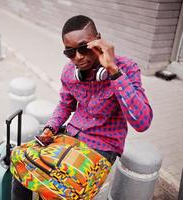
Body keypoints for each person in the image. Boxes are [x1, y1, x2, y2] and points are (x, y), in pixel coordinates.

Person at [11, 15, 153, 200]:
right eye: (70, 52)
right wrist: (50, 127)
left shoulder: (127, 68)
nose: (78, 57)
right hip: (70, 137)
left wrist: (113, 70)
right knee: (21, 161)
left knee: (60, 185)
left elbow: (142, 122)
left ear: (98, 39)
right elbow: (65, 104)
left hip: (102, 146)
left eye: (84, 48)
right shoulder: (69, 72)